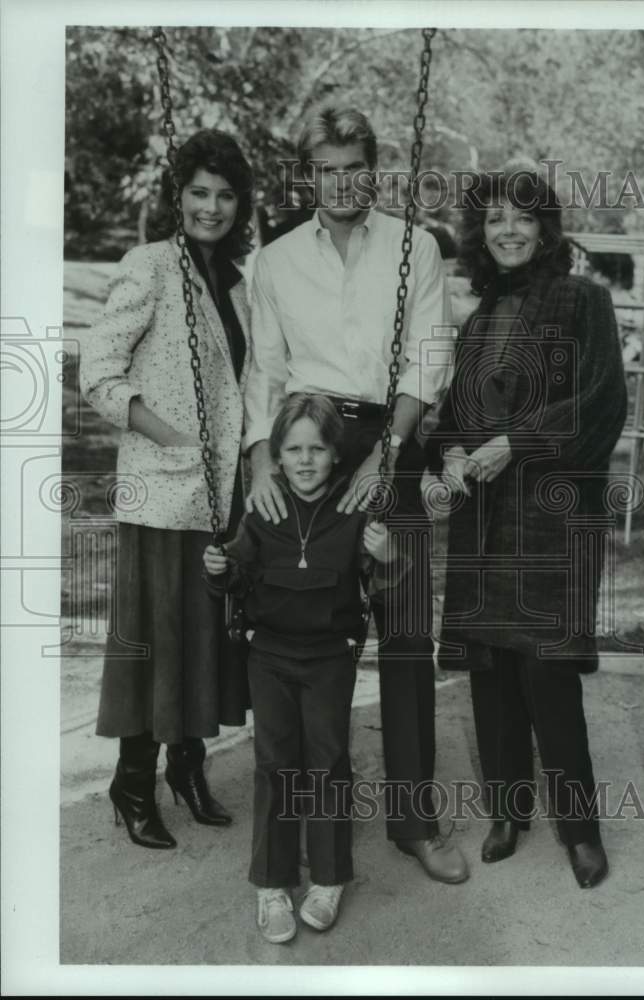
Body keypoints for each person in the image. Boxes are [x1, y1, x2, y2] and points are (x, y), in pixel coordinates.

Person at [243, 105, 468, 885]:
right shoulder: (273, 261)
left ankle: (414, 820)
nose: (341, 182)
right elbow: (264, 372)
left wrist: (392, 453)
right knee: (303, 626)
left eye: (354, 167)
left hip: (391, 439)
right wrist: (262, 461)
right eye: (326, 168)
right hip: (306, 448)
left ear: (375, 169)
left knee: (405, 636)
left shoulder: (418, 247)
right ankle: (302, 812)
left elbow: (427, 358)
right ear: (307, 175)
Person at [433, 168, 627, 888]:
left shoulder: (584, 300)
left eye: (521, 218)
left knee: (549, 673)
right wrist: (450, 449)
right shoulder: (480, 319)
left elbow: (602, 403)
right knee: (491, 675)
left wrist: (513, 443)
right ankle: (508, 812)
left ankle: (580, 831)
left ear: (545, 227)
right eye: (492, 221)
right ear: (479, 236)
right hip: (484, 519)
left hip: (553, 517)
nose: (507, 231)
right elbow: (454, 415)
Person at [79, 129, 254, 850]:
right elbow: (97, 371)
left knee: (207, 634)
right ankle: (131, 781)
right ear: (178, 198)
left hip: (221, 491)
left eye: (224, 195)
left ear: (240, 202)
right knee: (155, 638)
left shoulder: (239, 283)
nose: (211, 208)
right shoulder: (150, 265)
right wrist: (166, 433)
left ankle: (187, 766)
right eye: (198, 194)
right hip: (162, 490)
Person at [203, 394, 403, 943]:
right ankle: (272, 884)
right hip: (268, 654)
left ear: (336, 455)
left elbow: (385, 583)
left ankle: (330, 876)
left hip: (330, 656)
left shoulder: (354, 511)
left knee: (329, 760)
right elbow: (235, 578)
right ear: (278, 456)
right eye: (293, 450)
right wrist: (219, 569)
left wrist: (387, 557)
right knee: (274, 763)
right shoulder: (263, 510)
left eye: (317, 448)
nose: (306, 459)